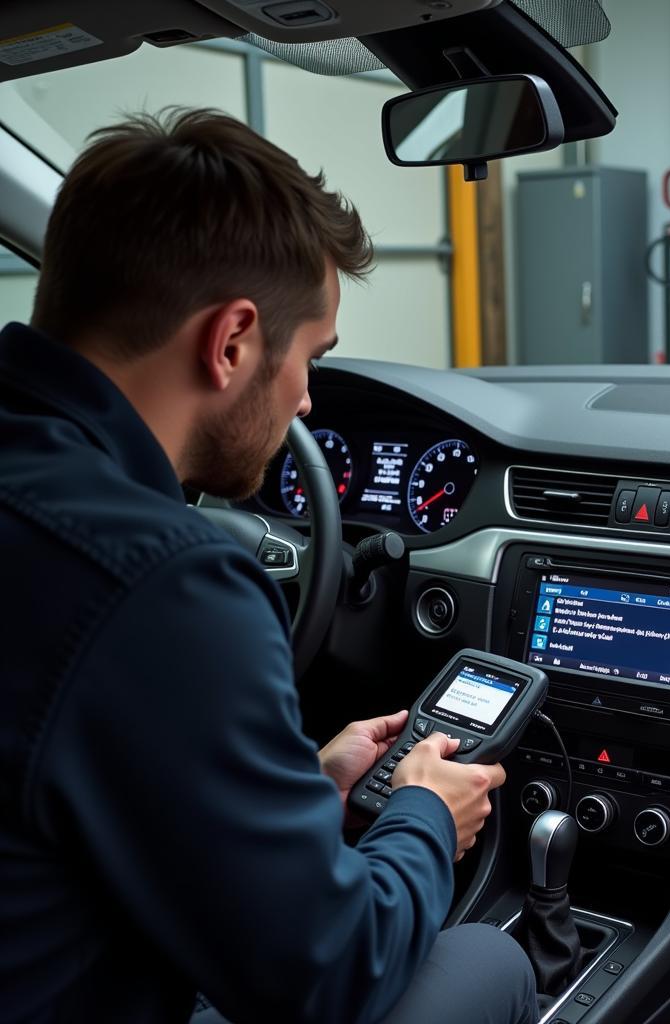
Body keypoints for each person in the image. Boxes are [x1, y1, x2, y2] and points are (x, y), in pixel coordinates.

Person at [0, 108, 537, 1024]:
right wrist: (420, 819)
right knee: (493, 960)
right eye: (311, 358)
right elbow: (333, 974)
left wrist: (301, 789)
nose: (308, 396)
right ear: (232, 341)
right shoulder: (166, 581)